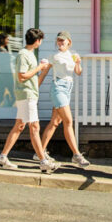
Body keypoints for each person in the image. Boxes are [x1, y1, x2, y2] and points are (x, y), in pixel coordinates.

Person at [0, 28, 58, 173]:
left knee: (19, 126)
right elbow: (22, 76)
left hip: (29, 93)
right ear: (37, 41)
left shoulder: (29, 54)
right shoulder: (24, 55)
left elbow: (32, 79)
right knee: (34, 127)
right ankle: (43, 161)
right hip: (26, 95)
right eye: (40, 40)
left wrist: (43, 70)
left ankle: (2, 157)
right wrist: (39, 68)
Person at [37, 31, 91, 167]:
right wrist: (34, 87)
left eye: (63, 40)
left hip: (68, 89)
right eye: (58, 40)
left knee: (55, 122)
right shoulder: (54, 56)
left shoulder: (72, 56)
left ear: (69, 42)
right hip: (58, 88)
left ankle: (40, 152)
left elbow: (78, 72)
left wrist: (78, 62)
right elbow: (44, 73)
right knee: (68, 121)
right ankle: (76, 155)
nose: (60, 43)